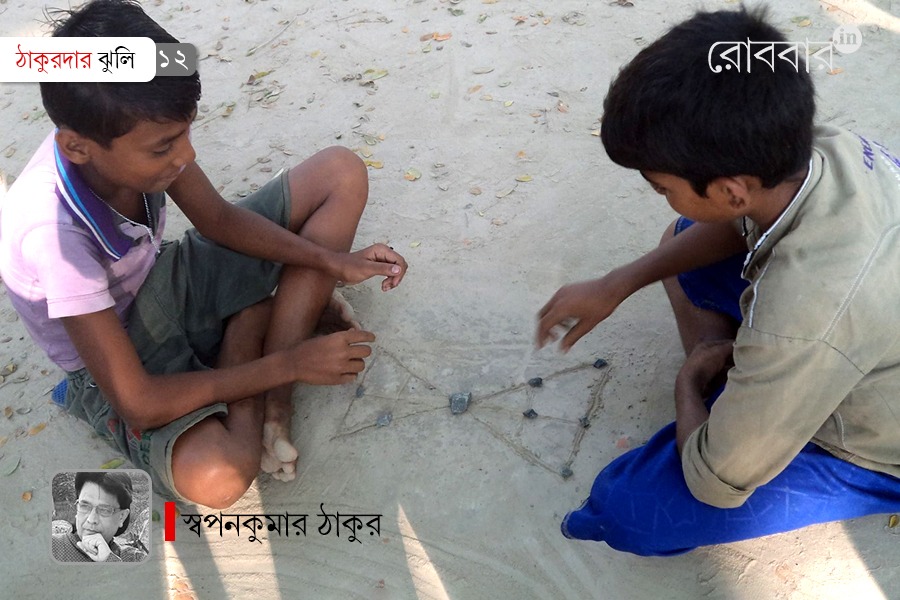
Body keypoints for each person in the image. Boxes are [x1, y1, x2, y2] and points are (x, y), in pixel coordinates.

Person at [0, 0, 407, 508]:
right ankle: (254, 324)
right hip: (112, 354)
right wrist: (289, 362)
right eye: (165, 146)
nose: (186, 155)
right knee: (219, 478)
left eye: (186, 131)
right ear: (77, 147)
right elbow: (140, 403)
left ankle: (270, 392)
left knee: (341, 171)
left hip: (161, 281)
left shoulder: (132, 133)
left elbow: (218, 220)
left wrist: (331, 262)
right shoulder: (52, 235)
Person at [535, 7, 900, 556]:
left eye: (661, 185)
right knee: (684, 240)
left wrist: (689, 381)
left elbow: (714, 483)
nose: (658, 194)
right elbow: (730, 223)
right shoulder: (825, 145)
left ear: (732, 189)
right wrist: (619, 281)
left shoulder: (807, 315)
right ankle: (742, 396)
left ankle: (742, 407)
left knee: (626, 509)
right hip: (861, 316)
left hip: (881, 431)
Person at [52, 471, 148, 562]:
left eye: (104, 510)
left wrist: (109, 560)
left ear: (122, 517)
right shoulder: (50, 546)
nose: (91, 519)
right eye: (84, 506)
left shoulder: (135, 558)